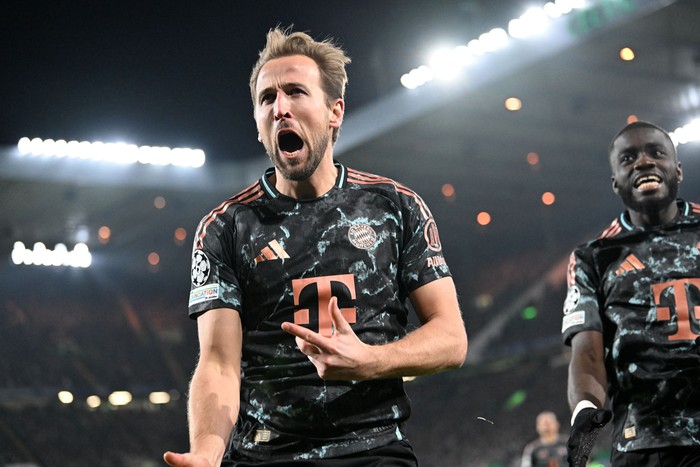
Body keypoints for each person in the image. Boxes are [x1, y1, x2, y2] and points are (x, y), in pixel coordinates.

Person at [163, 27, 467, 467]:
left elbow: (451, 339)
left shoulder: (394, 208)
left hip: (372, 448)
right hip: (263, 454)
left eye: (295, 92)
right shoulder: (226, 227)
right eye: (267, 99)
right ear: (257, 121)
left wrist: (369, 360)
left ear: (334, 112)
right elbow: (218, 362)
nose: (280, 108)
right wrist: (209, 450)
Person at [562, 121, 700, 467]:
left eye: (656, 153)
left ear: (677, 170)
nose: (643, 162)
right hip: (642, 444)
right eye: (628, 158)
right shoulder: (593, 257)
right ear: (615, 183)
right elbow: (588, 356)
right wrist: (585, 413)